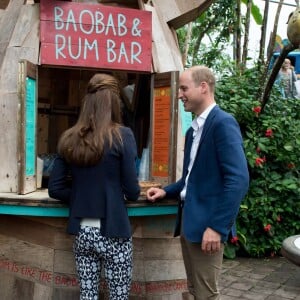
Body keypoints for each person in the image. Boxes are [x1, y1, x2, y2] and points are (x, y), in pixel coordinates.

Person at [147, 66, 249, 300]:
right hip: (190, 225)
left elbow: (239, 180)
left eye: (184, 88)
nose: (179, 94)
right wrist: (165, 191)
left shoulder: (223, 123)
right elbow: (190, 179)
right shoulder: (194, 131)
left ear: (203, 87)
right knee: (194, 292)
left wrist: (217, 227)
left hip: (208, 229)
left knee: (205, 295)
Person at [48, 73, 140, 300]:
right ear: (113, 102)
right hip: (114, 231)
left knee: (87, 296)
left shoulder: (68, 138)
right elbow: (133, 191)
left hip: (82, 232)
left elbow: (55, 188)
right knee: (119, 296)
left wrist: (81, 196)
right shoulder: (123, 136)